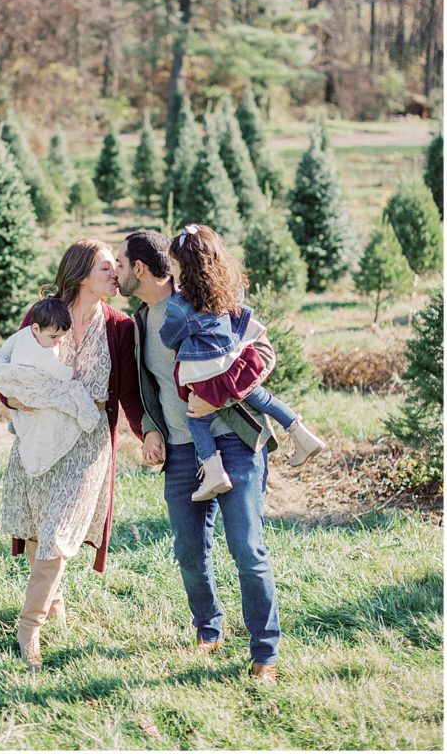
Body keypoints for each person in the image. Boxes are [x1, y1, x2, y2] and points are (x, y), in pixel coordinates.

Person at [115, 228, 281, 684]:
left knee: (246, 549)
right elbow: (142, 390)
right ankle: (208, 629)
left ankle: (265, 651)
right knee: (190, 552)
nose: (117, 272)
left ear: (142, 270)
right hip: (183, 452)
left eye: (121, 264)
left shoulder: (207, 297)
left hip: (233, 442)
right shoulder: (140, 324)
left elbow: (263, 351)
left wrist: (218, 394)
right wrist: (150, 430)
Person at [0, 240, 145, 670]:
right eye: (107, 268)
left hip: (87, 446)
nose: (116, 274)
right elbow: (12, 364)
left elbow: (128, 392)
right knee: (37, 530)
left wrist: (149, 434)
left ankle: (28, 626)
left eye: (115, 267)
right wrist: (12, 401)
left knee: (58, 533)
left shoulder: (120, 327)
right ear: (82, 273)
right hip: (38, 437)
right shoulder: (42, 314)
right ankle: (54, 601)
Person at [163, 224, 326, 501]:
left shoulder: (180, 306)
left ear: (185, 268)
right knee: (260, 396)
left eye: (174, 264)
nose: (172, 270)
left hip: (208, 373)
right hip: (235, 362)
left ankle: (213, 472)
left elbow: (169, 338)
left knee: (197, 418)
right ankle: (301, 433)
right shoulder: (229, 289)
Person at [0, 296, 102, 478]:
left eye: (62, 336)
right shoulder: (42, 352)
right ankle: (27, 437)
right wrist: (72, 373)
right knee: (45, 409)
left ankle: (17, 424)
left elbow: (7, 348)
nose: (58, 341)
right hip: (28, 381)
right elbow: (56, 370)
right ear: (36, 328)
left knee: (31, 412)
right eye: (53, 336)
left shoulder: (24, 334)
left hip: (23, 385)